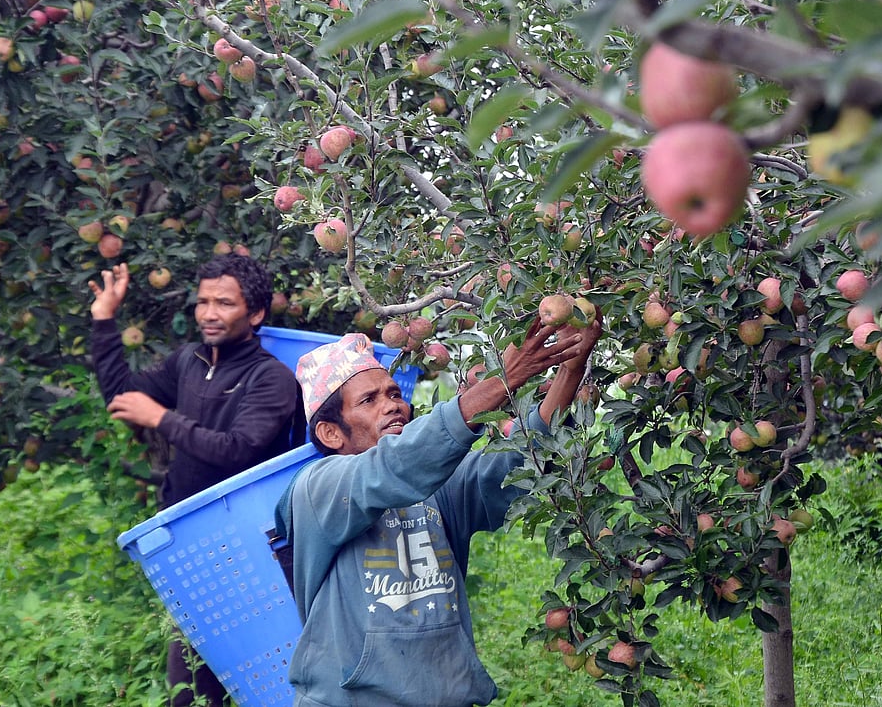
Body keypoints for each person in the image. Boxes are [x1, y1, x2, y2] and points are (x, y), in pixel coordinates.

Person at [274, 313, 602, 706]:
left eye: (395, 394)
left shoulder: (434, 486)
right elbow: (395, 466)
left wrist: (571, 368)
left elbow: (516, 470)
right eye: (369, 399)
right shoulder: (317, 489)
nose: (392, 406)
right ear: (331, 433)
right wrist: (503, 380)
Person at [88, 255, 305, 707]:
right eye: (203, 301)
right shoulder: (188, 361)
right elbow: (123, 396)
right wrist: (105, 320)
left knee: (270, 677)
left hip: (251, 549)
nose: (208, 313)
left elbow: (237, 450)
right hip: (192, 548)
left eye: (224, 303)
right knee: (189, 688)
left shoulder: (272, 379)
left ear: (256, 313)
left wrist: (162, 419)